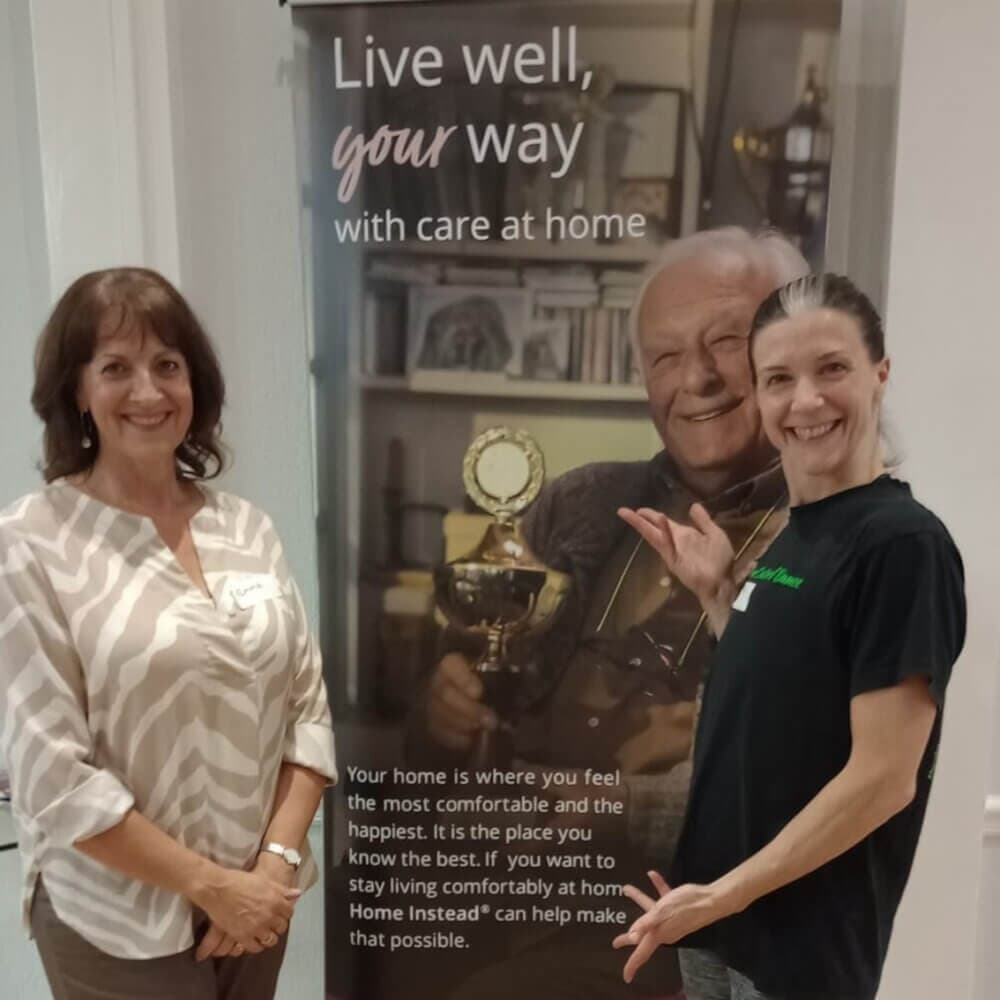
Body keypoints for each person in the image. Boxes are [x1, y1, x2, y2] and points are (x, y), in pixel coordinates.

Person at [392, 228, 809, 1000]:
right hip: (519, 888)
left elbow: (809, 783)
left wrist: (617, 809)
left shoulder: (834, 538)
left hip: (695, 922)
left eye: (727, 342)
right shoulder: (578, 504)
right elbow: (446, 737)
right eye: (664, 356)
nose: (698, 379)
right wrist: (443, 709)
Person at [615, 273, 965, 1000]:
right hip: (719, 923)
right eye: (779, 378)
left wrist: (726, 894)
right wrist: (717, 594)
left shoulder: (902, 544)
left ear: (880, 374)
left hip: (798, 950)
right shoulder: (798, 532)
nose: (805, 401)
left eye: (831, 369)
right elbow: (789, 695)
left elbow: (883, 779)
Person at [0, 268, 338, 1000]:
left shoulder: (246, 527)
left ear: (196, 384)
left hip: (255, 912)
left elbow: (306, 713)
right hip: (118, 926)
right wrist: (213, 887)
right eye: (115, 368)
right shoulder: (33, 542)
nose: (148, 392)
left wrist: (274, 865)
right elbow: (51, 778)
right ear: (77, 391)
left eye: (168, 366)